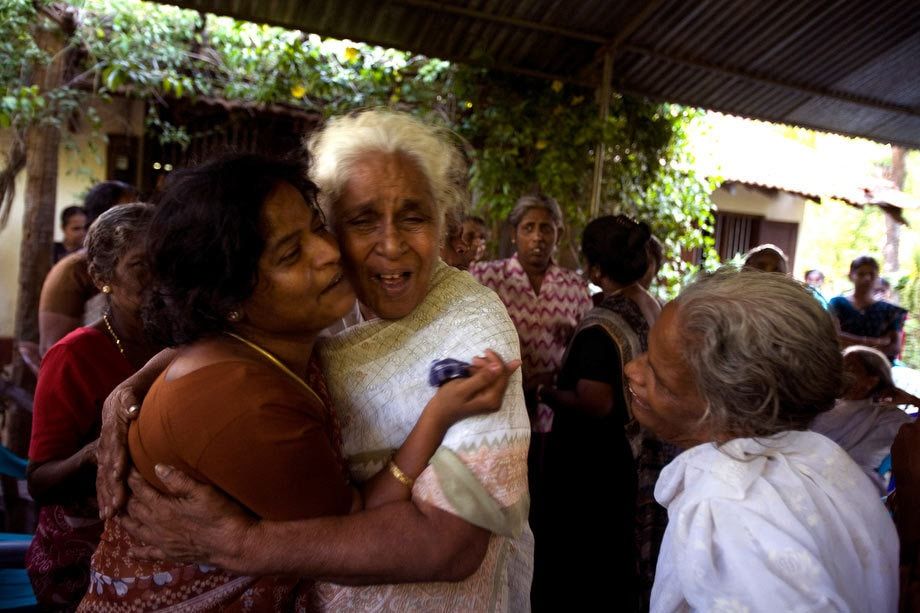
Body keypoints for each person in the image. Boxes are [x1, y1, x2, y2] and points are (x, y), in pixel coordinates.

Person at [96, 110, 533, 612]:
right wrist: (129, 389)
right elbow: (233, 334)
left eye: (414, 216)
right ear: (332, 224)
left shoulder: (470, 329)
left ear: (443, 224)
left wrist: (245, 545)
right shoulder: (321, 299)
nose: (391, 245)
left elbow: (450, 546)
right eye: (361, 219)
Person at [625, 267, 898, 612]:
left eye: (658, 374)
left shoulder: (728, 510)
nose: (632, 369)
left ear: (725, 407)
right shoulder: (824, 461)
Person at [26, 203, 156, 611]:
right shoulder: (73, 356)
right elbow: (39, 482)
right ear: (103, 278)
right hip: (83, 557)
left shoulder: (181, 342)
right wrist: (95, 453)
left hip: (160, 541)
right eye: (141, 266)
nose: (160, 279)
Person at [536, 215, 664, 611]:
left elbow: (596, 401)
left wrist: (543, 391)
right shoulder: (649, 305)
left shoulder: (602, 323)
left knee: (586, 572)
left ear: (594, 269)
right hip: (638, 453)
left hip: (596, 470)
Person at [470, 194, 591, 426]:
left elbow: (584, 355)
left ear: (559, 235)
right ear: (514, 235)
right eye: (528, 228)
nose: (538, 237)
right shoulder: (487, 277)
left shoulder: (575, 287)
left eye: (546, 228)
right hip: (496, 413)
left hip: (553, 415)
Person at [39, 180, 138, 355]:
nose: (138, 219)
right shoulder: (72, 270)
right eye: (128, 212)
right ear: (104, 217)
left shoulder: (145, 264)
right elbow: (56, 350)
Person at [811, 345, 913, 495]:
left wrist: (912, 400)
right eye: (840, 368)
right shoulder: (823, 404)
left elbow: (859, 461)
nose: (841, 375)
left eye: (850, 369)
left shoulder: (888, 417)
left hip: (849, 485)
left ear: (871, 381)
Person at [829, 255, 906, 362]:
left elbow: (895, 347)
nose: (867, 278)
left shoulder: (890, 311)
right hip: (841, 363)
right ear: (851, 276)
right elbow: (832, 336)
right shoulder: (837, 303)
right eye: (861, 274)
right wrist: (876, 341)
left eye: (872, 274)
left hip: (876, 371)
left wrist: (848, 341)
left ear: (877, 277)